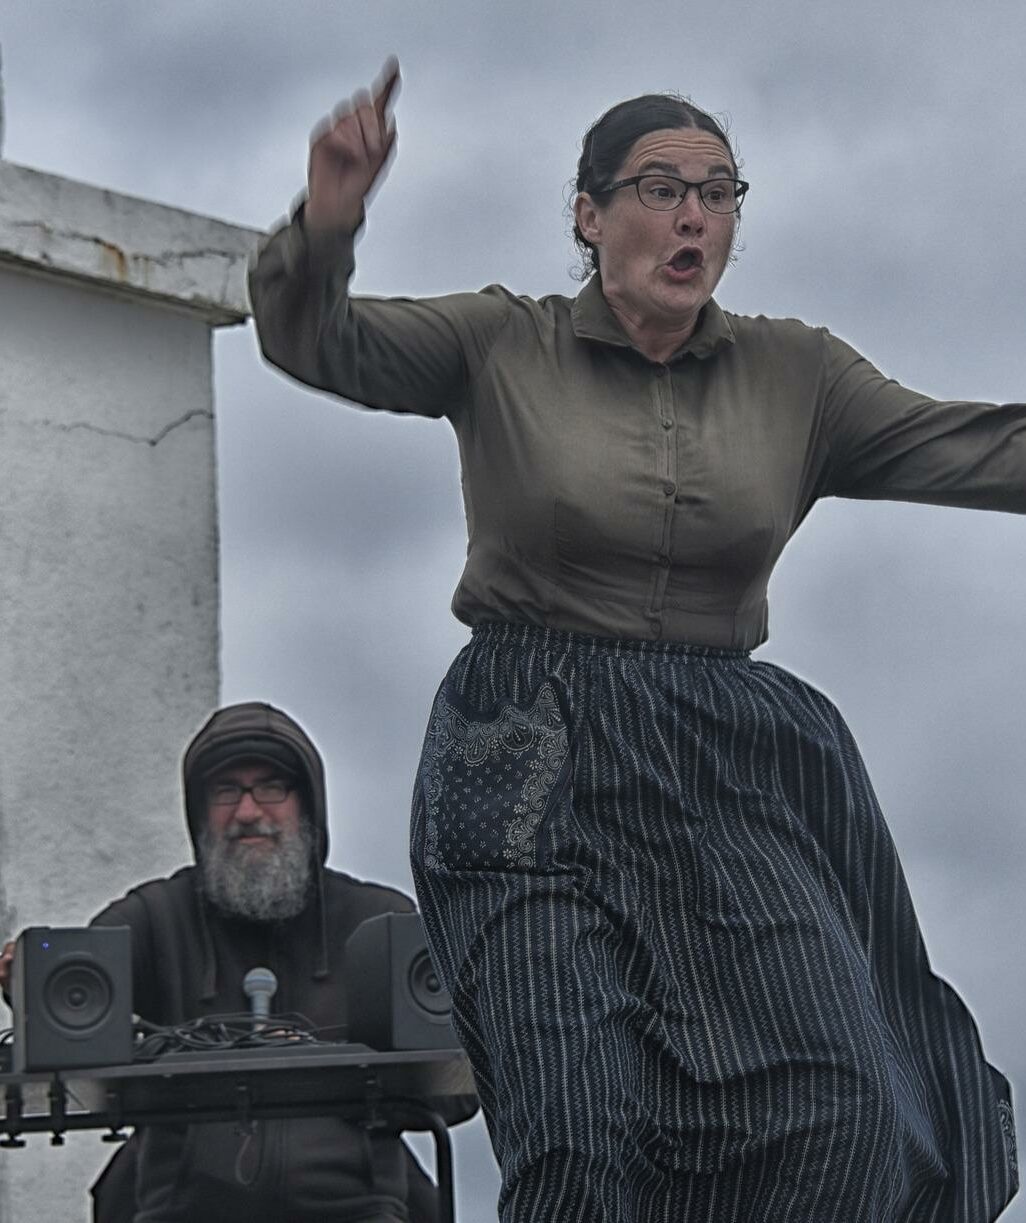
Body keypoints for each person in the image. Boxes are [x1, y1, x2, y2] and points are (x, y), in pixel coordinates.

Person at [247, 61, 1023, 1223]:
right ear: (589, 214)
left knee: (852, 1109)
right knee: (581, 1128)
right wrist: (329, 218)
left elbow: (981, 447)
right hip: (528, 755)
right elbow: (316, 337)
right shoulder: (501, 342)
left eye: (719, 192)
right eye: (661, 188)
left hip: (727, 764)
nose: (694, 216)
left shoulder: (800, 373)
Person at [2, 701, 455, 1223]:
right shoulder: (155, 917)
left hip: (356, 1208)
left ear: (308, 803)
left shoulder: (377, 922)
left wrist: (361, 1087)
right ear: (198, 812)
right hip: (182, 1210)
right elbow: (74, 994)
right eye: (225, 792)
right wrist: (26, 986)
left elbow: (457, 1083)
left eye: (271, 788)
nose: (247, 812)